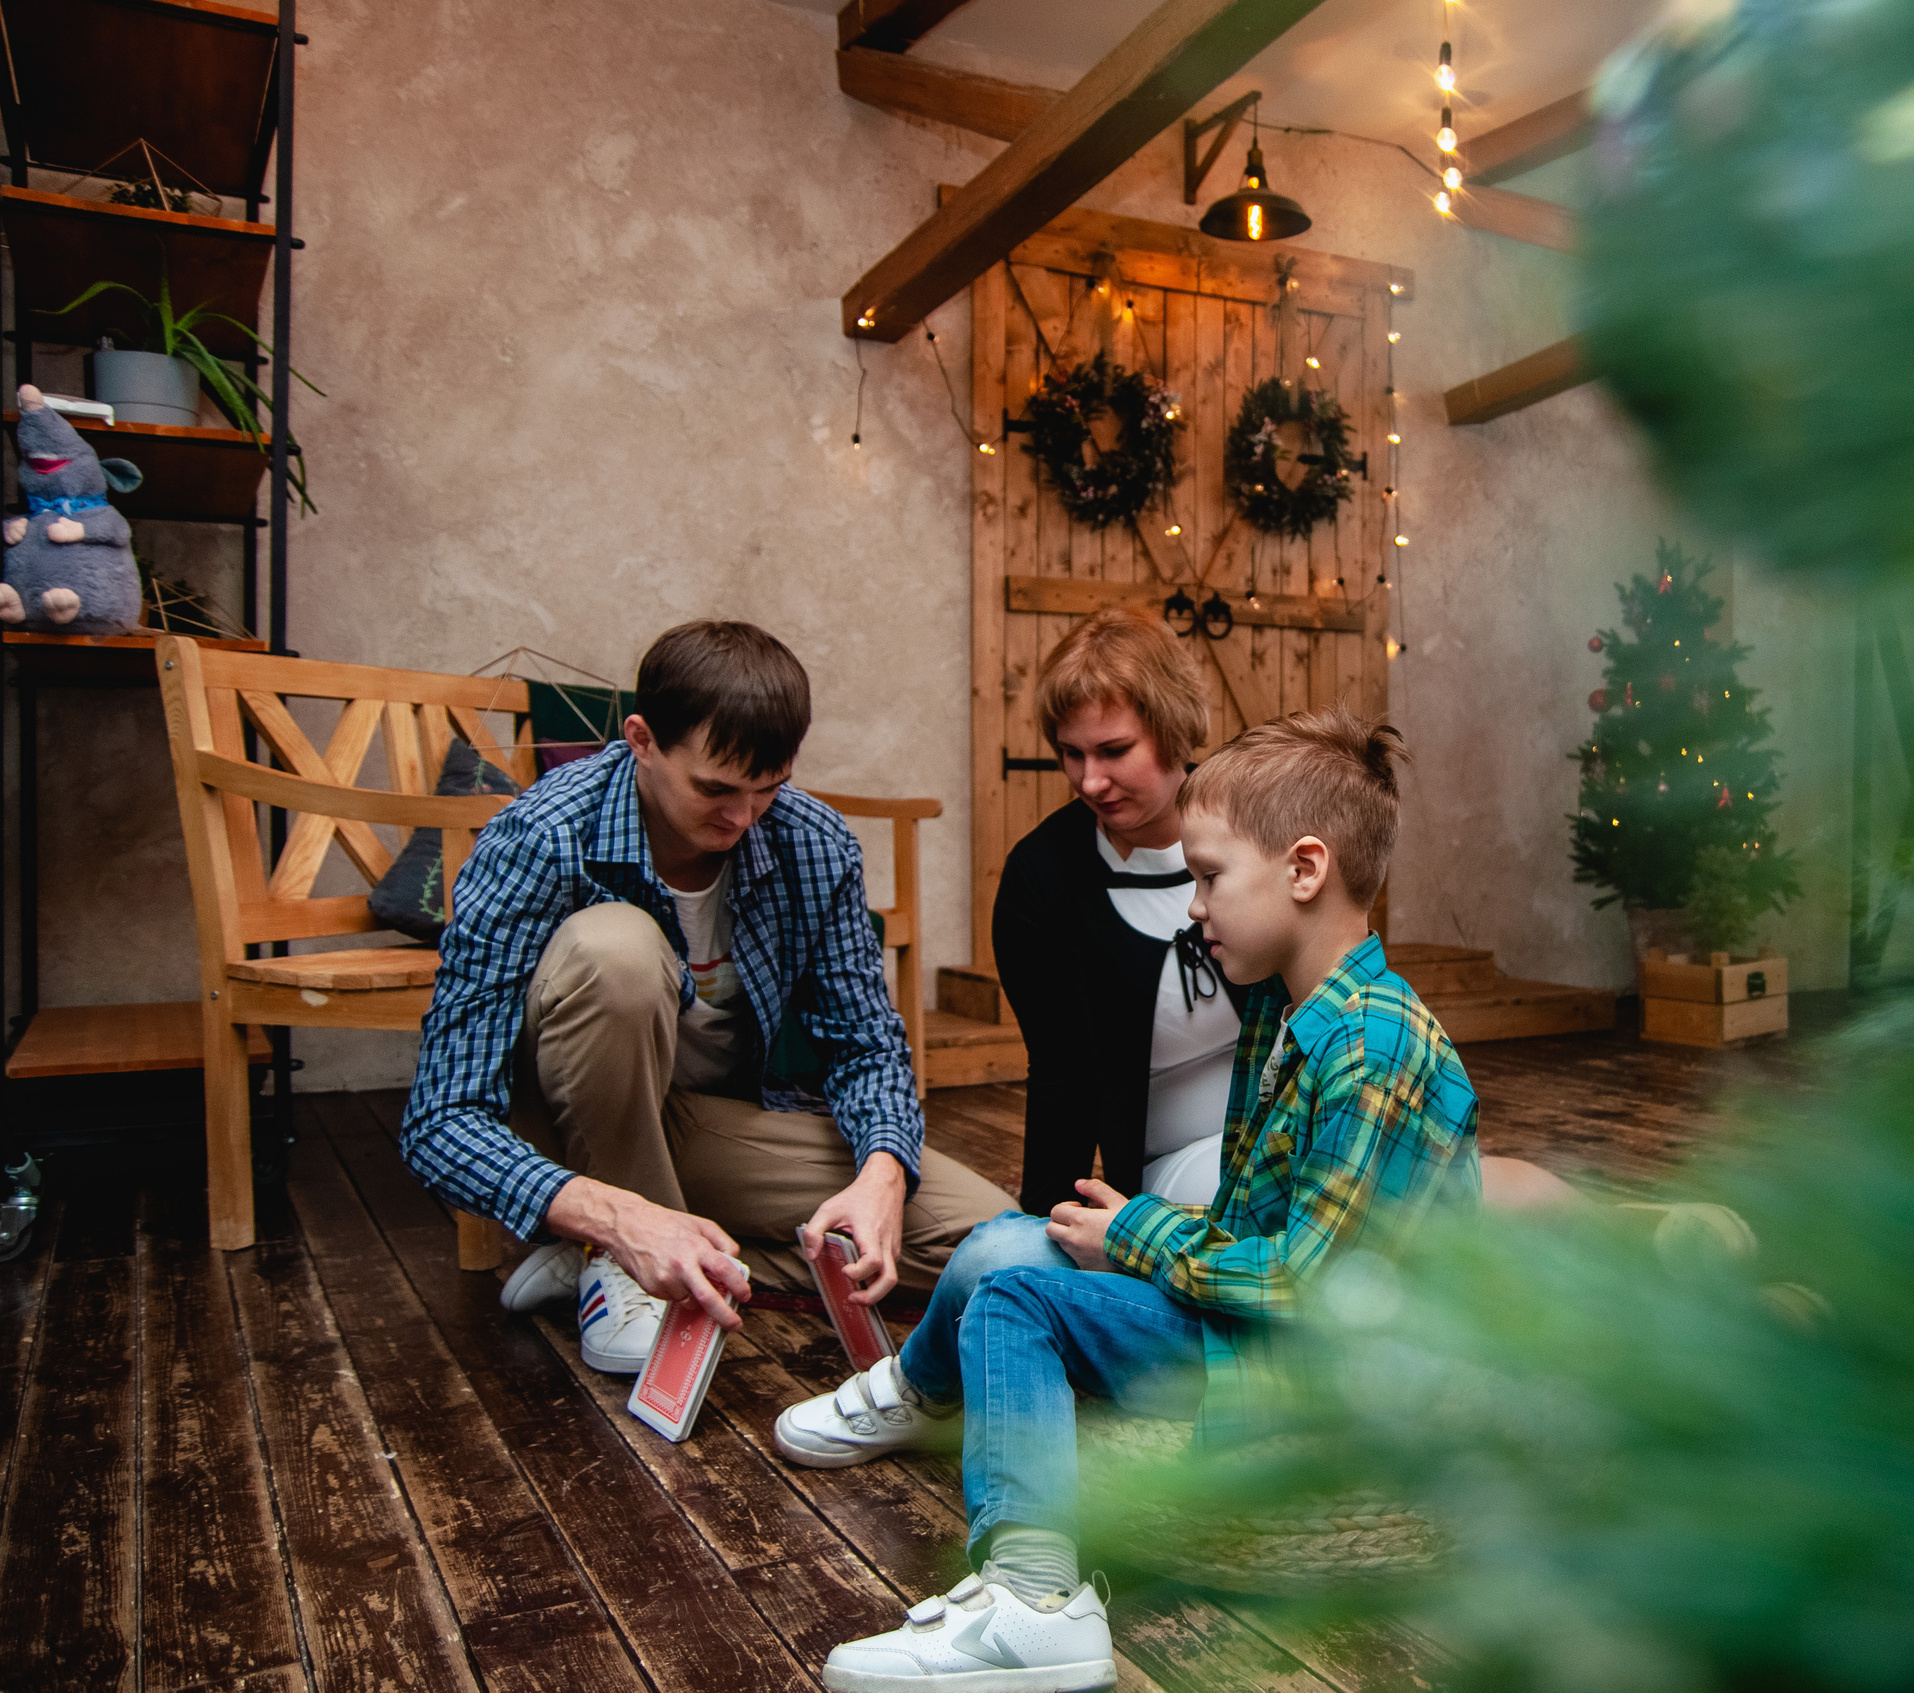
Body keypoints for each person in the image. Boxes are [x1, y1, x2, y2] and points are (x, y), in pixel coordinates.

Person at [783, 708, 1481, 1693]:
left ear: (1304, 869)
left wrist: (1147, 1234)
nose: (1193, 907)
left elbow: (1312, 1287)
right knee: (1009, 1244)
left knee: (1018, 1299)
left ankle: (1033, 1605)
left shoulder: (1373, 1048)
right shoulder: (1289, 1014)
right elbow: (1265, 1235)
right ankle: (914, 1390)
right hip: (1260, 1329)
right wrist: (1132, 1236)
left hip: (1330, 1371)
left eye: (1209, 877)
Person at [400, 620, 1010, 1371]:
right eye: (715, 789)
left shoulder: (812, 842)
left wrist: (882, 1175)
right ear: (641, 740)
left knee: (990, 1241)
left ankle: (630, 1253)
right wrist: (609, 1212)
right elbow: (439, 1119)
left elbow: (866, 1044)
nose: (742, 818)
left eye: (768, 788)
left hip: (701, 1127)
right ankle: (616, 1245)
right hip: (560, 1129)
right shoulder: (541, 836)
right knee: (614, 951)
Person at [1001, 608, 1239, 1217]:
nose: (1089, 782)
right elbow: (1059, 1075)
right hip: (1174, 1165)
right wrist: (1040, 1233)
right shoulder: (1041, 879)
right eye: (1071, 754)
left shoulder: (1256, 825)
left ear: (1173, 729)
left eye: (1113, 751)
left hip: (1300, 1128)